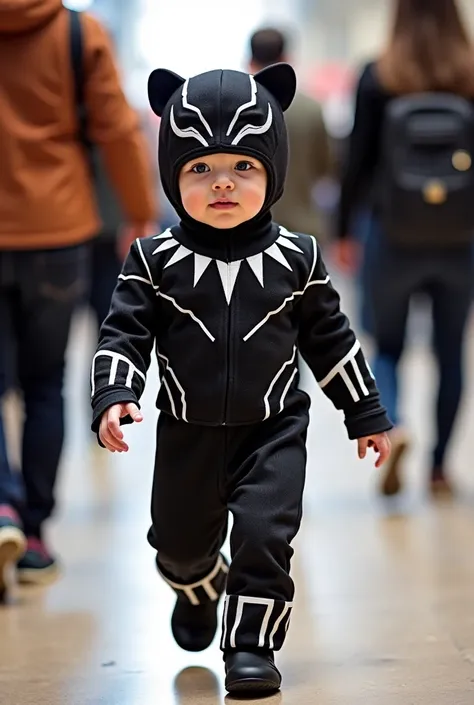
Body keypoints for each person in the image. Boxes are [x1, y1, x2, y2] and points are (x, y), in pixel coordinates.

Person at [91, 63, 392, 694]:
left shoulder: (298, 259)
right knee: (176, 543)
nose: (222, 185)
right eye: (200, 168)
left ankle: (252, 650)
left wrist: (364, 413)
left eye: (244, 167)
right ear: (174, 175)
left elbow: (331, 341)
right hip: (186, 431)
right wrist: (116, 396)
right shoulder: (153, 260)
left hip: (274, 429)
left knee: (265, 536)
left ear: (273, 171)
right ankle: (198, 585)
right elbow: (123, 334)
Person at [0, 0, 156, 598]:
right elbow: (116, 126)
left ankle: (3, 511)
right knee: (45, 384)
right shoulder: (75, 30)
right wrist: (139, 210)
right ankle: (34, 535)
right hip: (59, 230)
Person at [335, 0, 474, 499]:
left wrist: (344, 229)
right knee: (450, 350)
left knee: (387, 344)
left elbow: (356, 159)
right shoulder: (470, 73)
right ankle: (438, 468)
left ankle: (395, 424)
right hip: (461, 239)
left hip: (390, 233)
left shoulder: (378, 75)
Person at [248, 27, 332, 239]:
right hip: (301, 230)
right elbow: (325, 167)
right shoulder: (311, 109)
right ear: (286, 59)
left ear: (249, 61)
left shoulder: (233, 111)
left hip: (248, 231)